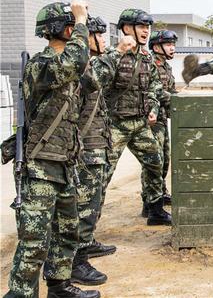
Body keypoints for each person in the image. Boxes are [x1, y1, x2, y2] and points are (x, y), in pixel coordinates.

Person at [5, 1, 99, 298]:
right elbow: (74, 63)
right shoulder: (42, 65)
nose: (77, 29)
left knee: (67, 231)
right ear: (61, 28)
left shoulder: (69, 69)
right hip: (39, 166)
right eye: (73, 24)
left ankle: (58, 287)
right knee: (34, 242)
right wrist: (83, 20)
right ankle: (20, 294)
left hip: (64, 163)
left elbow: (92, 80)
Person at [71, 16, 137, 285]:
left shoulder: (91, 62)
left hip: (96, 144)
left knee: (93, 201)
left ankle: (85, 245)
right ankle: (75, 261)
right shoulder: (81, 66)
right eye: (98, 34)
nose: (103, 39)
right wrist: (118, 50)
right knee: (82, 206)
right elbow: (93, 79)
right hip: (84, 147)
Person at [102, 9, 171, 226]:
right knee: (102, 173)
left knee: (155, 163)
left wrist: (152, 105)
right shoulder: (112, 56)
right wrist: (119, 52)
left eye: (147, 27)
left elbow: (153, 86)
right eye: (141, 26)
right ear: (126, 28)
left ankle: (155, 211)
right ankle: (84, 230)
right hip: (115, 124)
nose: (145, 31)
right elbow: (97, 85)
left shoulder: (146, 58)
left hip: (140, 123)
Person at [141, 30, 178, 216]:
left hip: (162, 119)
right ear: (157, 47)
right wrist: (176, 100)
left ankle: (160, 193)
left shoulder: (166, 66)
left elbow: (171, 91)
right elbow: (153, 91)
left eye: (173, 44)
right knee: (153, 162)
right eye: (169, 44)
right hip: (152, 119)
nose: (173, 47)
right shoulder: (150, 64)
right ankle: (149, 202)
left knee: (164, 160)